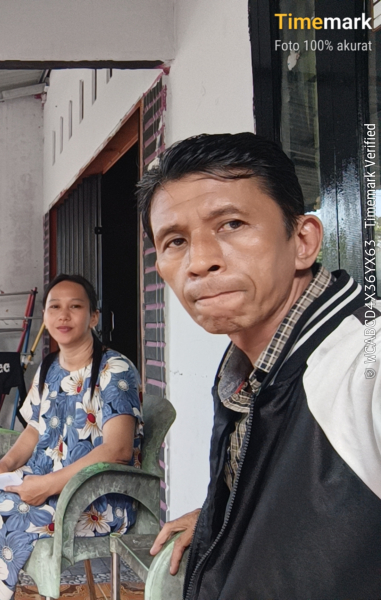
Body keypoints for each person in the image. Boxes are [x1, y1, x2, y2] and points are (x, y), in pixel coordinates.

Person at [137, 133, 381, 599]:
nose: (200, 261)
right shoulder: (248, 371)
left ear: (303, 241)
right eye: (176, 241)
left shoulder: (364, 365)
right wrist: (226, 521)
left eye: (231, 224)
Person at [0, 274, 143, 600]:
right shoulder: (49, 367)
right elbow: (33, 428)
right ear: (45, 316)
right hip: (43, 483)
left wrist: (48, 485)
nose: (63, 315)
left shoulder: (114, 370)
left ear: (93, 317)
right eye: (55, 307)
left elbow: (118, 450)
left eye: (75, 307)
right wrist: (3, 466)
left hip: (96, 499)